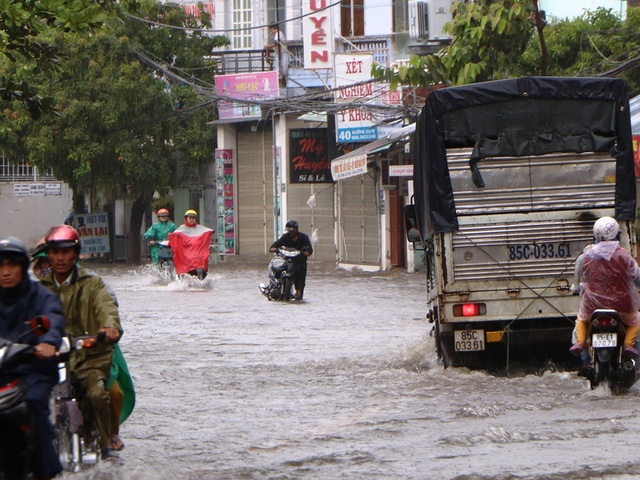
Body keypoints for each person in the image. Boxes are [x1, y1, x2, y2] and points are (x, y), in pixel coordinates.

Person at [31, 238, 134, 453]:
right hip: (50, 356)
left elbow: (107, 307)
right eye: (43, 264)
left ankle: (109, 437)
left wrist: (108, 328)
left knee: (108, 393)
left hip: (92, 348)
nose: (48, 267)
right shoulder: (36, 291)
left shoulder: (93, 283)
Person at [0, 236, 65, 480]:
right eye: (0, 266)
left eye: (12, 265)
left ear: (22, 267)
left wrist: (48, 342)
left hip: (32, 372)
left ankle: (45, 470)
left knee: (34, 404)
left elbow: (53, 319)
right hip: (1, 373)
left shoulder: (42, 296)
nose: (6, 272)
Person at [570, 216, 640, 359]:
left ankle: (581, 343)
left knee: (581, 320)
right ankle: (628, 345)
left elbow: (577, 285)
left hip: (592, 307)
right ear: (617, 234)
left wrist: (576, 289)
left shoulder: (585, 257)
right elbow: (637, 277)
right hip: (623, 306)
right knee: (636, 321)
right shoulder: (625, 256)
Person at [269, 219, 313, 300]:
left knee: (301, 275)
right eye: (289, 230)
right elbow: (276, 244)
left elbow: (309, 249)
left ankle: (298, 292)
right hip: (287, 260)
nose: (290, 232)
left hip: (300, 261)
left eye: (292, 230)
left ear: (296, 229)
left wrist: (306, 252)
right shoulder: (285, 237)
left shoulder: (304, 237)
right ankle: (275, 285)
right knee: (278, 268)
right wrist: (274, 248)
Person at [169, 210, 214, 279]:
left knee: (201, 265)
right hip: (185, 255)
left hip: (197, 254)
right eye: (190, 218)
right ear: (186, 219)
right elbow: (174, 237)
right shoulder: (181, 229)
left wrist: (211, 232)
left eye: (193, 218)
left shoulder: (200, 228)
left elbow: (209, 231)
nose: (191, 220)